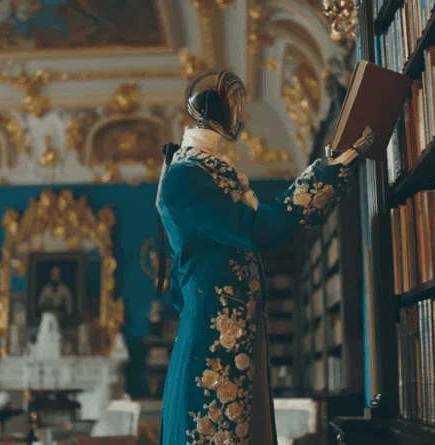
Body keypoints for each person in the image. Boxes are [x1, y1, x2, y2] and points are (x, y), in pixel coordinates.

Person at [156, 70, 361, 445]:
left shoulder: (205, 171)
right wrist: (325, 174)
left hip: (231, 333)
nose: (240, 116)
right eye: (233, 106)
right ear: (215, 113)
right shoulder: (187, 177)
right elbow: (256, 230)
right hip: (212, 339)